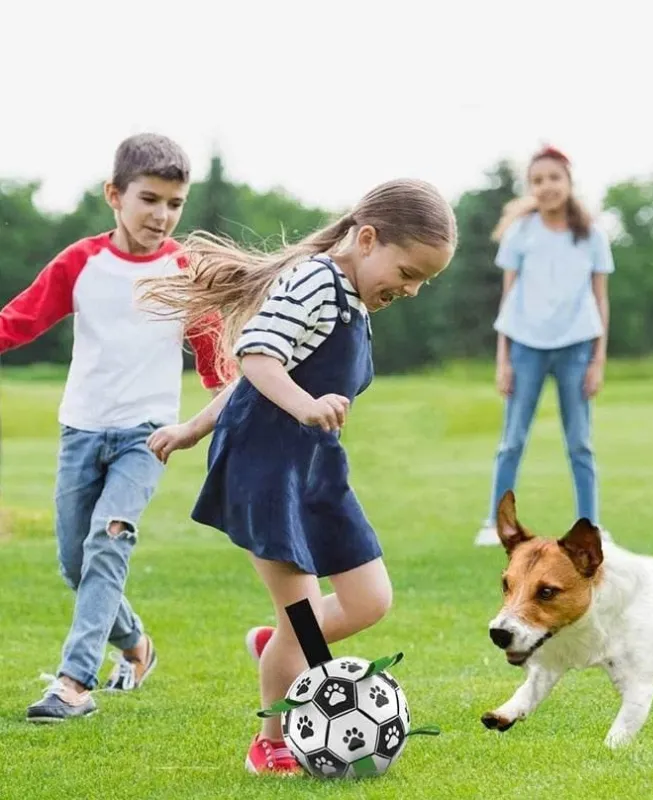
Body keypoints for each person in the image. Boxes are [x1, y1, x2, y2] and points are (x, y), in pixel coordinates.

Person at [138, 178, 457, 775]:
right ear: (367, 239)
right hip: (265, 469)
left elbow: (247, 377)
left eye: (423, 282)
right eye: (408, 271)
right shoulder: (315, 279)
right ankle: (272, 738)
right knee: (304, 620)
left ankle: (277, 647)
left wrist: (193, 426)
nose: (411, 290)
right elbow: (257, 356)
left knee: (369, 600)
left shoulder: (356, 299)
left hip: (315, 470)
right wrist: (300, 407)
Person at [0, 133, 225, 721]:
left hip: (147, 436)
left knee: (109, 539)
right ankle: (136, 644)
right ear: (114, 195)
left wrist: (227, 413)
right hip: (80, 430)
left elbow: (214, 362)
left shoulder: (184, 272)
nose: (162, 215)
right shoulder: (81, 263)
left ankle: (75, 682)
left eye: (174, 204)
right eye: (149, 199)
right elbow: (18, 321)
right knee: (76, 562)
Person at [475, 146, 614, 546]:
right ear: (530, 188)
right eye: (537, 180)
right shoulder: (521, 233)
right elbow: (508, 297)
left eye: (554, 178)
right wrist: (503, 360)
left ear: (569, 183)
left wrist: (597, 360)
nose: (546, 186)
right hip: (525, 347)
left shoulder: (591, 236)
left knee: (580, 443)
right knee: (512, 440)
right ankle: (494, 523)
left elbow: (601, 299)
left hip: (576, 347)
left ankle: (591, 524)